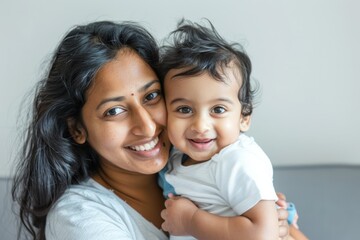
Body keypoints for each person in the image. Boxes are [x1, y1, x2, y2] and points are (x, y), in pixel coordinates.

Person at [11, 20, 296, 240]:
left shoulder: (196, 166)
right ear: (77, 129)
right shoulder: (80, 217)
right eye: (114, 111)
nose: (147, 126)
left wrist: (278, 227)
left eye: (151, 96)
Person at [158, 20, 308, 240]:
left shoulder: (236, 161)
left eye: (218, 109)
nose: (200, 125)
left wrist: (190, 221)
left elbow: (264, 235)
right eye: (184, 109)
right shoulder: (177, 155)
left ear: (244, 117)